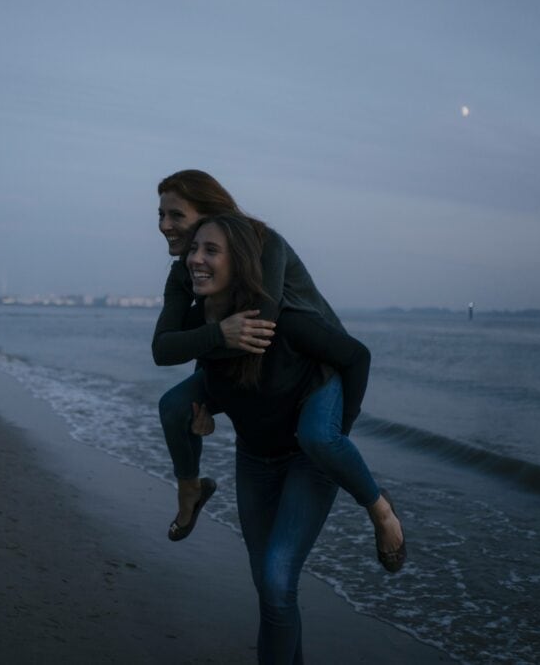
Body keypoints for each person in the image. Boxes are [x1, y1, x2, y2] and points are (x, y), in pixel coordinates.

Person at [152, 170, 404, 568]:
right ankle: (190, 491)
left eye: (176, 215)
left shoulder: (264, 246)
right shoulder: (185, 271)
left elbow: (256, 331)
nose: (164, 225)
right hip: (259, 364)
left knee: (321, 437)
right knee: (174, 406)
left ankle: (379, 509)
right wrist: (211, 390)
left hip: (318, 364)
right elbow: (165, 348)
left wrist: (213, 369)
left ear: (209, 214)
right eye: (160, 215)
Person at [179, 214, 401, 664]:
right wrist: (205, 418)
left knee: (278, 581)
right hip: (254, 460)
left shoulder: (286, 323)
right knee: (269, 587)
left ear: (238, 261)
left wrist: (337, 434)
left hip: (308, 460)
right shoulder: (202, 329)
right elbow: (225, 385)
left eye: (210, 250)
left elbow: (356, 356)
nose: (195, 259)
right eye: (194, 249)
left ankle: (382, 511)